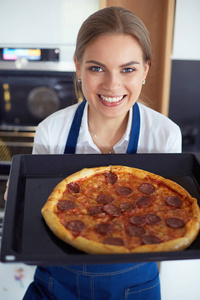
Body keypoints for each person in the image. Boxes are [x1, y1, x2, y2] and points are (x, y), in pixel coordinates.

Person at [22, 6, 181, 300]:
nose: (112, 85)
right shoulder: (51, 131)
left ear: (145, 69)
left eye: (128, 69)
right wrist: (21, 202)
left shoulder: (164, 135)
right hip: (57, 284)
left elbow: (167, 226)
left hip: (135, 287)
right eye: (97, 68)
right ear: (78, 67)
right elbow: (37, 225)